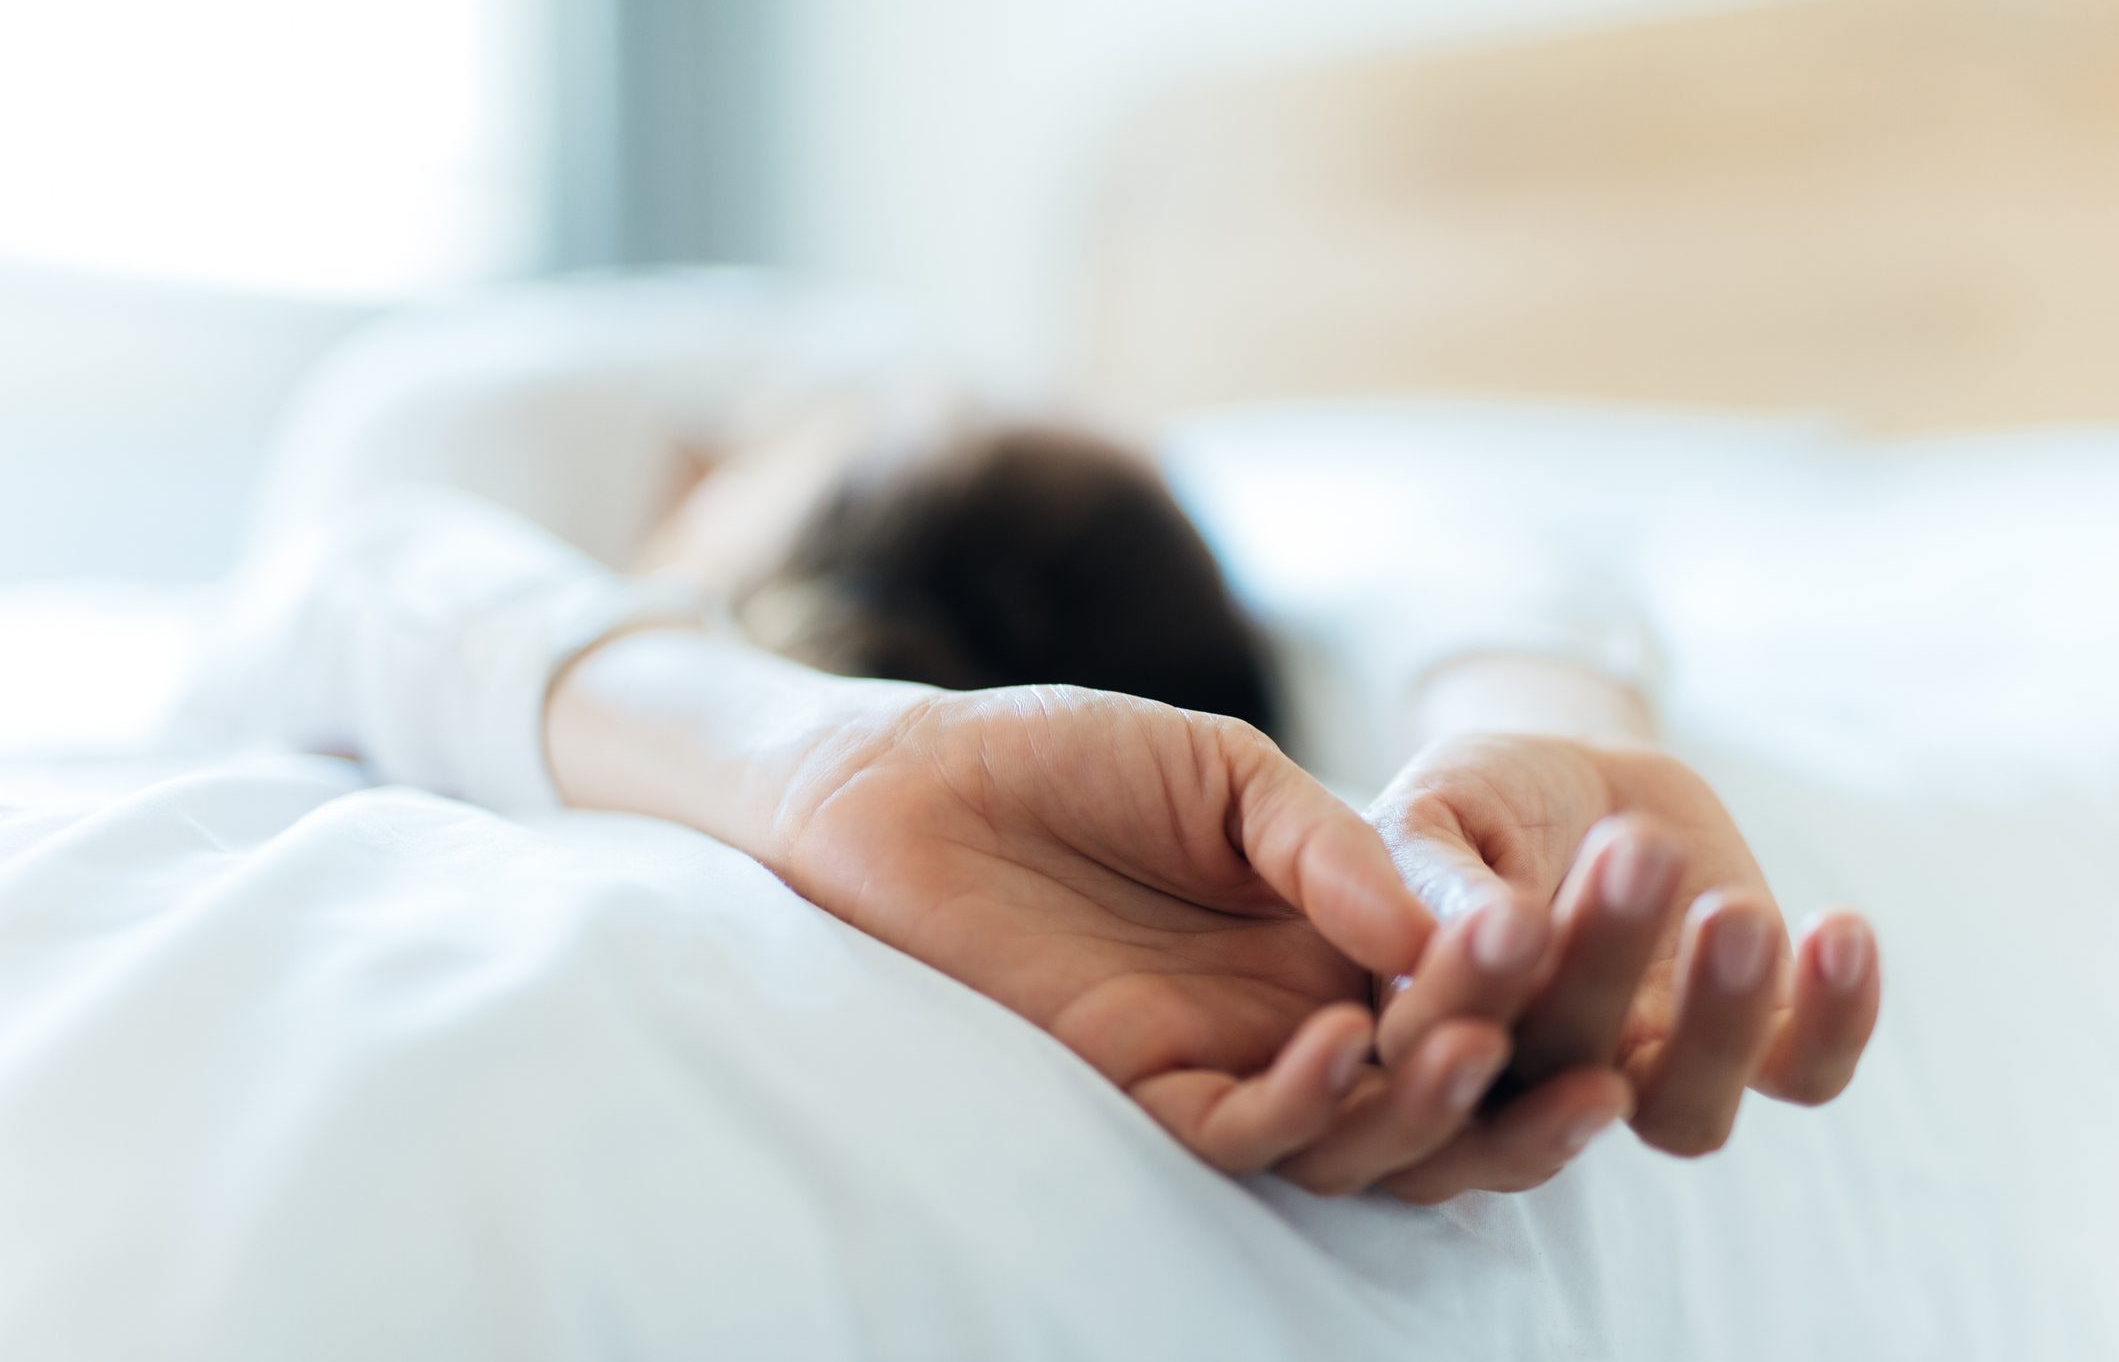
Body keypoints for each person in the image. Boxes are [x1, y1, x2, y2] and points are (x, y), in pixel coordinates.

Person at [192, 268, 1880, 1203]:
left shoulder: (1030, 472)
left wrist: (1534, 717)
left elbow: (1427, 547)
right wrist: (789, 743)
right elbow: (335, 588)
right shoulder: (482, 414)